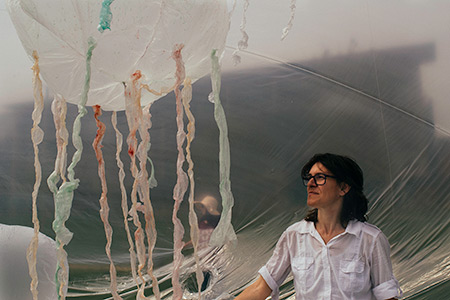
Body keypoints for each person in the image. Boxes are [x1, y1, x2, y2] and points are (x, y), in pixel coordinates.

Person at [235, 153, 402, 300]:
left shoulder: (370, 239)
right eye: (309, 178)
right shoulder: (294, 236)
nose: (311, 184)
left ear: (343, 188)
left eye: (320, 177)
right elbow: (261, 288)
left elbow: (387, 296)